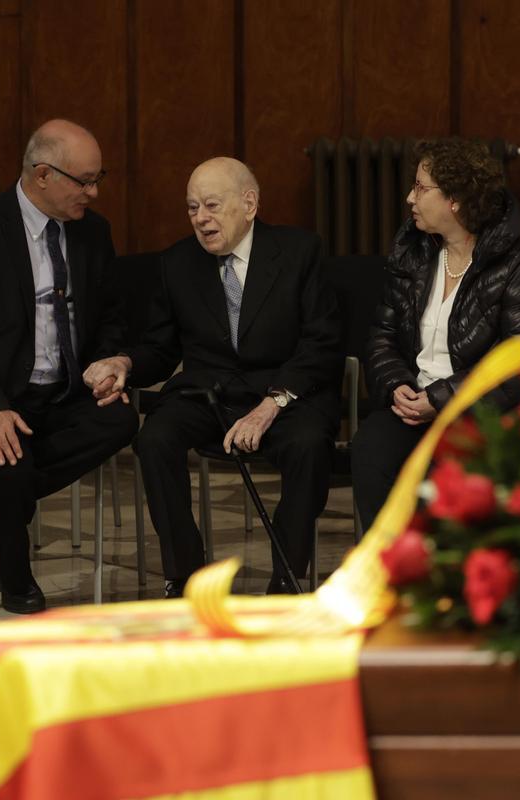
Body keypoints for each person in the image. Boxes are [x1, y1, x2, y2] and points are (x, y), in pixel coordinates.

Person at [83, 157, 342, 597]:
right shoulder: (177, 263)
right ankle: (185, 576)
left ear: (249, 204)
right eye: (191, 207)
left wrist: (271, 404)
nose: (200, 218)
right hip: (208, 395)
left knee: (308, 444)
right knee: (155, 439)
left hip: (283, 394)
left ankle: (286, 574)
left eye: (211, 205)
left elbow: (322, 343)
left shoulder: (300, 252)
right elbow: (162, 349)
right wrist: (125, 364)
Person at [0, 119, 139, 614]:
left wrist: (109, 363)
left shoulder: (94, 232)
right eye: (83, 181)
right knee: (11, 464)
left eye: (97, 178)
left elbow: (110, 317)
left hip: (64, 393)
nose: (92, 191)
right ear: (42, 174)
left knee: (121, 420)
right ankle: (15, 578)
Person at [352, 138, 520, 532]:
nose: (410, 198)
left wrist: (442, 398)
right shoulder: (414, 249)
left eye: (421, 187)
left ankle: (439, 577)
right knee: (370, 448)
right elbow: (382, 333)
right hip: (412, 403)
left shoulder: (519, 264)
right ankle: (386, 566)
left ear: (455, 200)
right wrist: (396, 384)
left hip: (478, 414)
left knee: (445, 469)